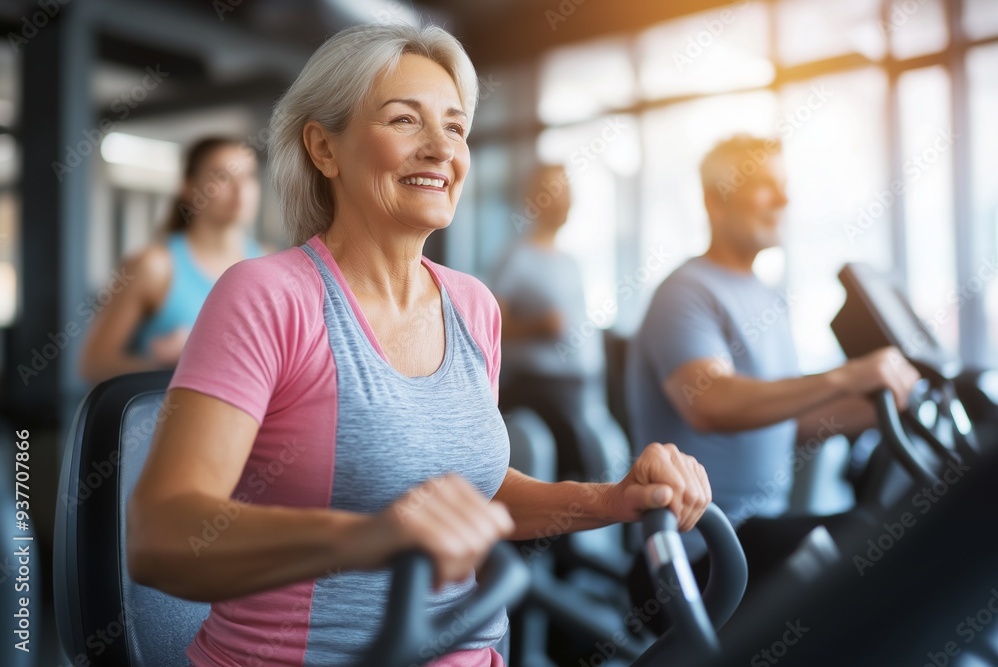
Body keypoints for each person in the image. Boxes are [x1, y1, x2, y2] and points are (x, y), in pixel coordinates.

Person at [126, 24, 711, 667]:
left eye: (456, 128)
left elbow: (478, 496)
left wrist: (611, 500)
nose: (440, 149)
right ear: (324, 147)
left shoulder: (472, 305)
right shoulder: (267, 296)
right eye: (406, 121)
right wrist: (373, 536)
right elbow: (162, 535)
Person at [625, 134, 920, 617]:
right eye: (764, 185)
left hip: (760, 530)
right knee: (871, 539)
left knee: (899, 530)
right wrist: (847, 375)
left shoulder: (768, 298)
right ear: (715, 202)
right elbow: (711, 403)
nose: (783, 200)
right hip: (700, 552)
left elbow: (794, 420)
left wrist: (887, 407)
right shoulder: (686, 292)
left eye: (784, 186)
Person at [78, 136, 264, 384]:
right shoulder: (154, 265)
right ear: (188, 187)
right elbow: (93, 364)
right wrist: (163, 364)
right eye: (222, 176)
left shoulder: (267, 263)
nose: (240, 189)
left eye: (249, 176)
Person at [492, 164, 622, 482]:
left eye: (567, 192)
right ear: (535, 199)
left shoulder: (569, 261)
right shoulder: (517, 258)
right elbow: (491, 326)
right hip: (540, 386)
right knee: (572, 465)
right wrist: (537, 327)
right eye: (554, 193)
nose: (563, 201)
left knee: (606, 456)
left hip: (583, 386)